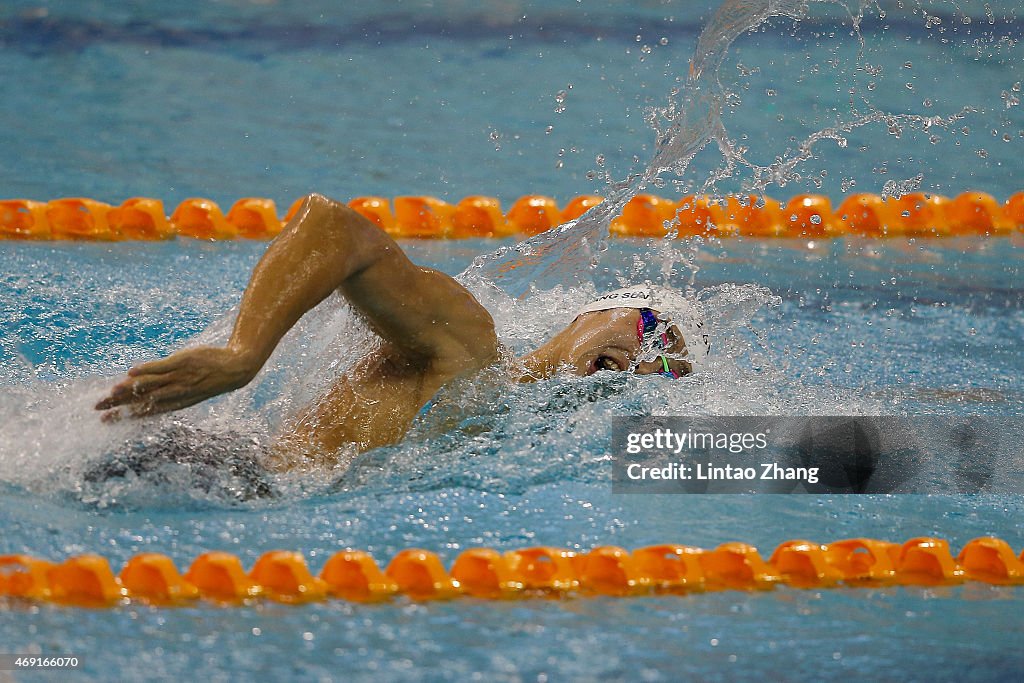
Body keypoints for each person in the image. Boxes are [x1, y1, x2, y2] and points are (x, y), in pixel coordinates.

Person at [95, 193, 709, 470]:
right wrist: (244, 354)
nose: (646, 360)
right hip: (204, 469)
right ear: (591, 313)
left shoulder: (516, 434)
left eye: (668, 369)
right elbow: (333, 228)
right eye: (654, 329)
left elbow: (793, 454)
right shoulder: (470, 343)